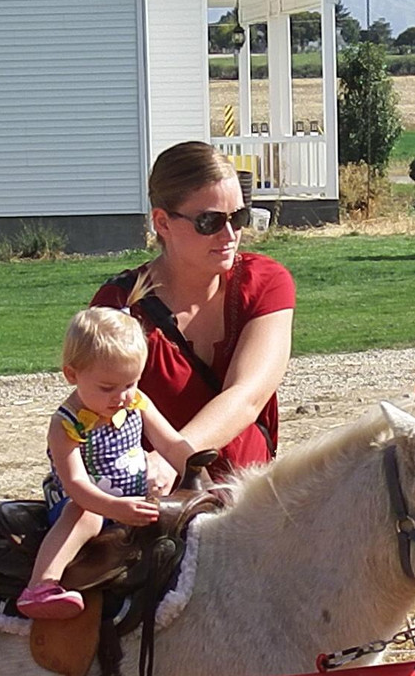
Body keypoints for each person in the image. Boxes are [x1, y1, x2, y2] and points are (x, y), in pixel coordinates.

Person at [91, 141, 295, 484]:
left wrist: (173, 459)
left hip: (250, 506)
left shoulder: (265, 283)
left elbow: (248, 395)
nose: (230, 235)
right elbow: (94, 409)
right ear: (162, 223)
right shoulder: (118, 308)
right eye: (209, 221)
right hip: (155, 507)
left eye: (238, 217)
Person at [16, 304, 195, 620]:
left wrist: (201, 476)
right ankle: (41, 585)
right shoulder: (67, 424)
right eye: (107, 387)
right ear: (72, 375)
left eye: (131, 383)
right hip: (86, 501)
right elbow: (76, 484)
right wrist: (113, 508)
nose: (122, 396)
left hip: (132, 500)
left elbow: (171, 444)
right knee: (83, 514)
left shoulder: (136, 402)